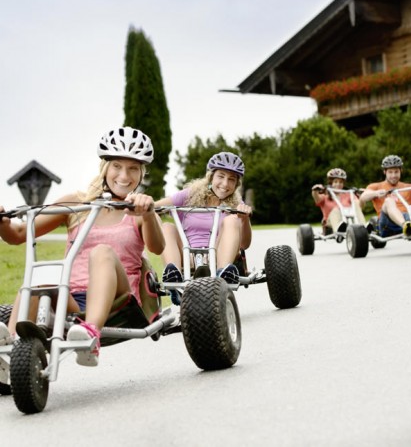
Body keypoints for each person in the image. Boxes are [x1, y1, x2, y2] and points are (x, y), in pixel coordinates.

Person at [0, 127, 165, 367]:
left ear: (141, 173)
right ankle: (11, 351)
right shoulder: (76, 203)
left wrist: (148, 214)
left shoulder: (140, 208)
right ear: (105, 167)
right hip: (73, 301)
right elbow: (18, 234)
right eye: (117, 166)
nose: (124, 175)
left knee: (102, 251)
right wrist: (3, 223)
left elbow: (158, 248)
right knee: (41, 276)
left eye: (133, 168)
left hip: (118, 302)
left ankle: (91, 334)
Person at [156, 151, 252, 297]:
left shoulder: (236, 204)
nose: (225, 184)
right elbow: (154, 207)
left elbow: (244, 244)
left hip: (216, 255)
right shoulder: (189, 195)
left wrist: (244, 219)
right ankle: (174, 281)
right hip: (188, 256)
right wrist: (138, 203)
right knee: (167, 227)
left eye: (231, 179)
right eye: (221, 176)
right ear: (211, 176)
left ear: (236, 184)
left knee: (232, 219)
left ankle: (222, 275)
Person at [359, 155, 411, 238]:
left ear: (401, 171)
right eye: (390, 172)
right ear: (385, 172)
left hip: (410, 218)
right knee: (389, 201)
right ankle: (405, 225)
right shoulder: (376, 186)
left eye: (396, 172)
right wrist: (376, 193)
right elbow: (363, 197)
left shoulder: (407, 186)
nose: (393, 175)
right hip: (388, 223)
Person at [311, 168, 366, 234]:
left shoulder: (348, 194)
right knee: (336, 210)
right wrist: (315, 190)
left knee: (355, 204)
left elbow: (359, 206)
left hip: (350, 219)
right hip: (330, 222)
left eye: (341, 182)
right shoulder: (325, 196)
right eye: (336, 181)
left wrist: (362, 197)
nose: (338, 184)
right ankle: (339, 230)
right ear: (331, 183)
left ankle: (363, 227)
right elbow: (317, 199)